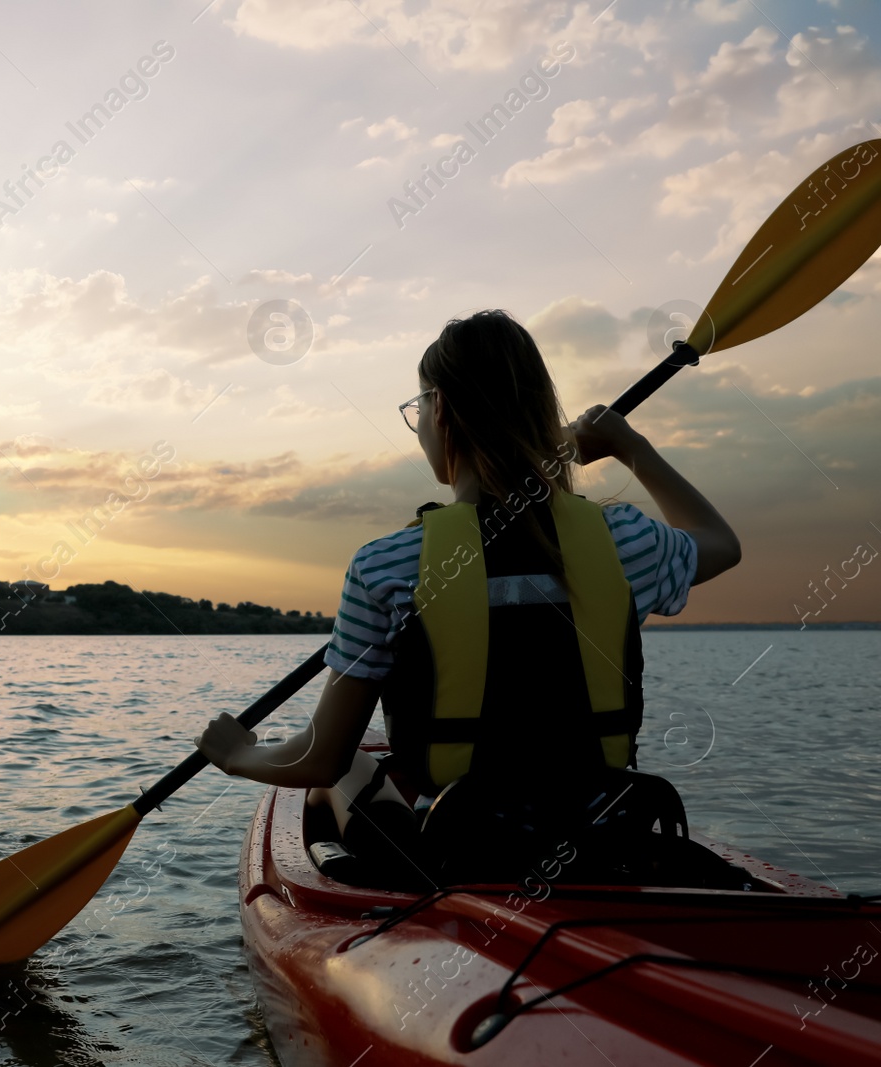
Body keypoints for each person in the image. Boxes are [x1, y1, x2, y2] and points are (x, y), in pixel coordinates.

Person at [197, 310, 741, 866]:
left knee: (352, 769)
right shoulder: (623, 539)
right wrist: (631, 447)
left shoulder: (387, 563)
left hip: (464, 851)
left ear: (443, 412)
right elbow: (720, 543)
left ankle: (365, 905)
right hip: (604, 840)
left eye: (419, 408)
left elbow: (319, 758)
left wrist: (240, 755)